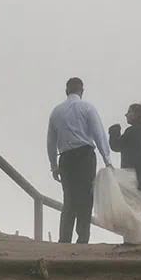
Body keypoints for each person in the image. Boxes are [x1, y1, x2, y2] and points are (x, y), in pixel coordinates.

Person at [46, 76, 111, 244]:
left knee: (69, 198)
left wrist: (53, 165)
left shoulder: (56, 111)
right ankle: (83, 239)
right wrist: (107, 159)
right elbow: (99, 134)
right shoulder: (87, 107)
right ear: (81, 90)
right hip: (85, 155)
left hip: (66, 158)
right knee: (86, 197)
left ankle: (64, 239)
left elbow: (51, 141)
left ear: (66, 90)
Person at [107, 103, 141, 201]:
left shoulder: (133, 131)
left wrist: (114, 131)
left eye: (129, 112)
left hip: (134, 181)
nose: (126, 115)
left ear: (137, 114)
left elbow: (116, 146)